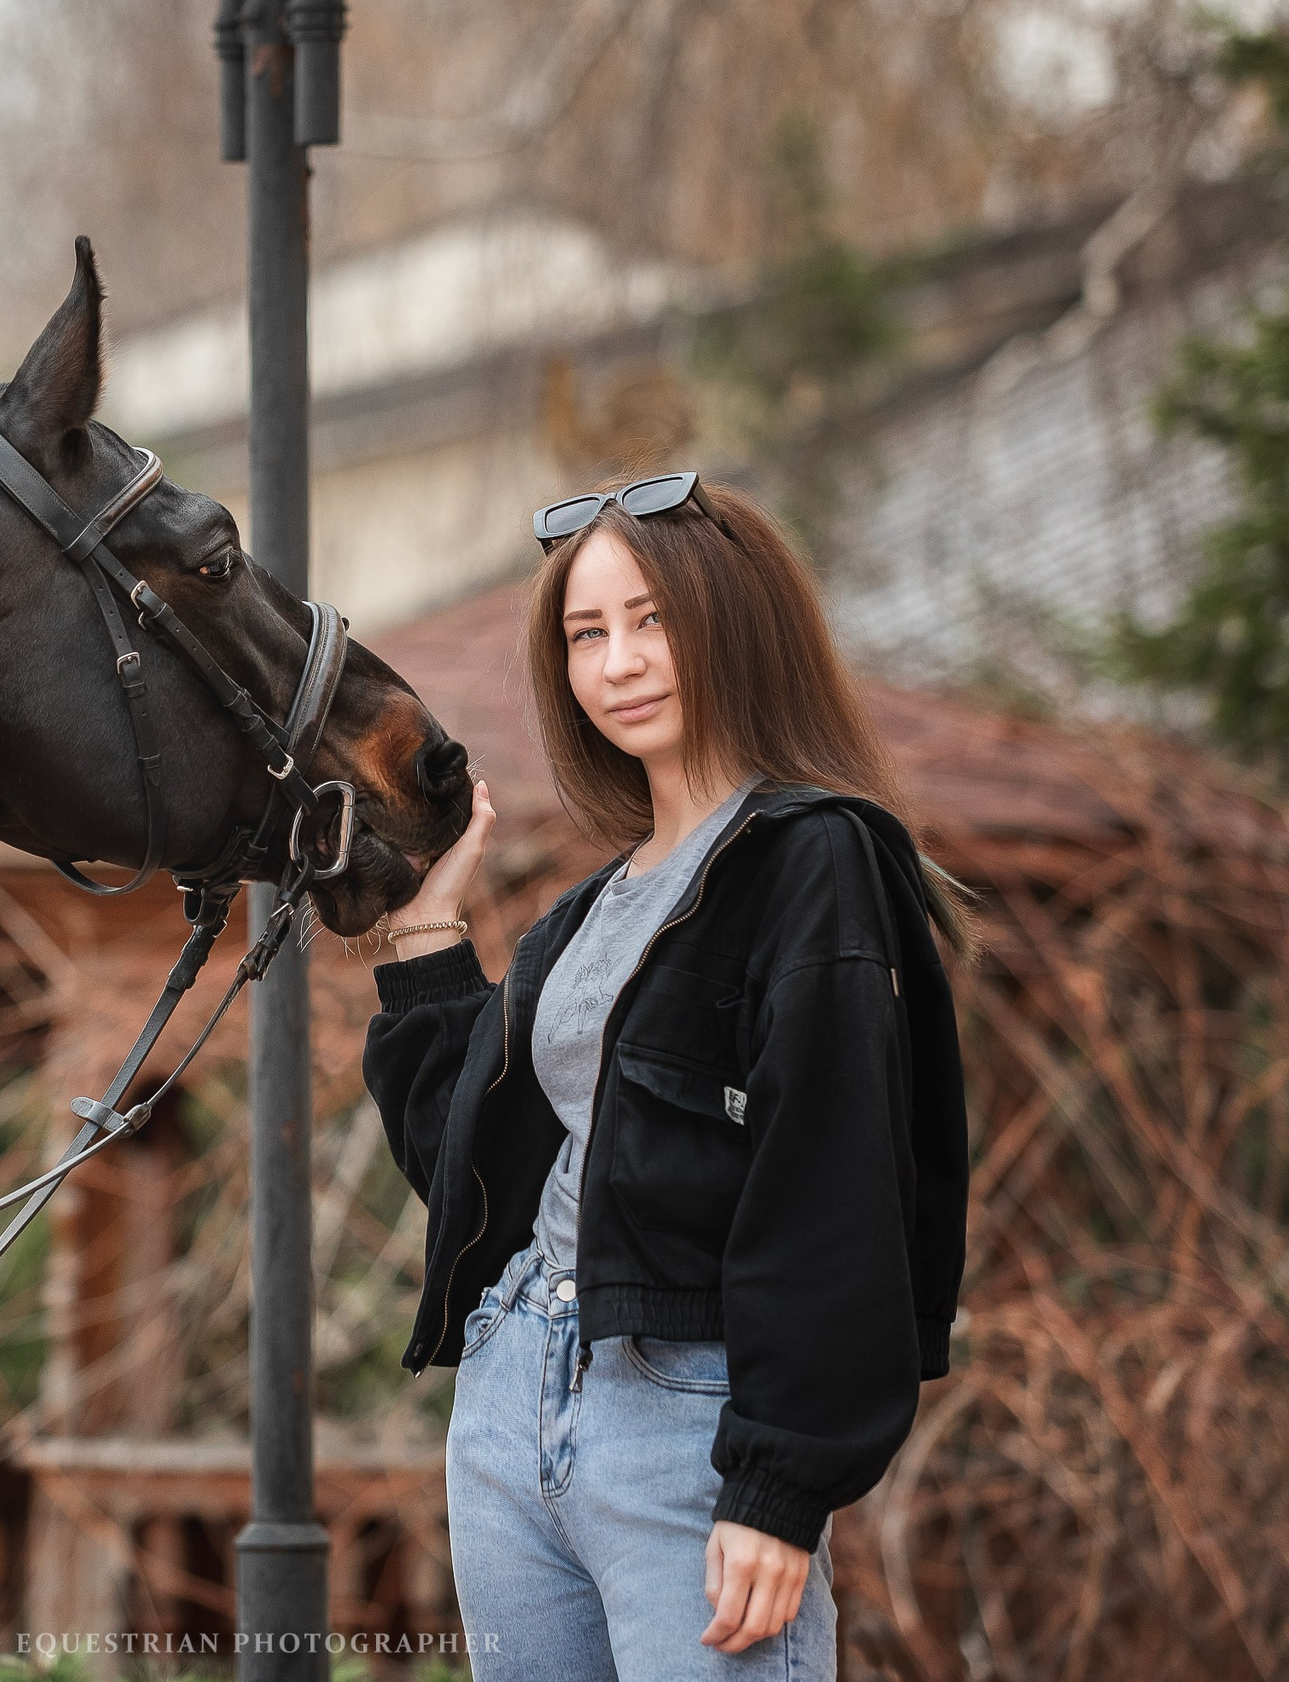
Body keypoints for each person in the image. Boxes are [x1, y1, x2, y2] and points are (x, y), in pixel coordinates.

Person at [363, 472, 978, 1679]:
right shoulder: (592, 910)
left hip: (687, 1416)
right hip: (506, 1400)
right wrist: (424, 942)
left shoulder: (815, 859)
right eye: (586, 634)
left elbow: (834, 1183)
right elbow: (474, 1171)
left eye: (653, 620)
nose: (619, 662)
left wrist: (780, 1481)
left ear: (735, 626)